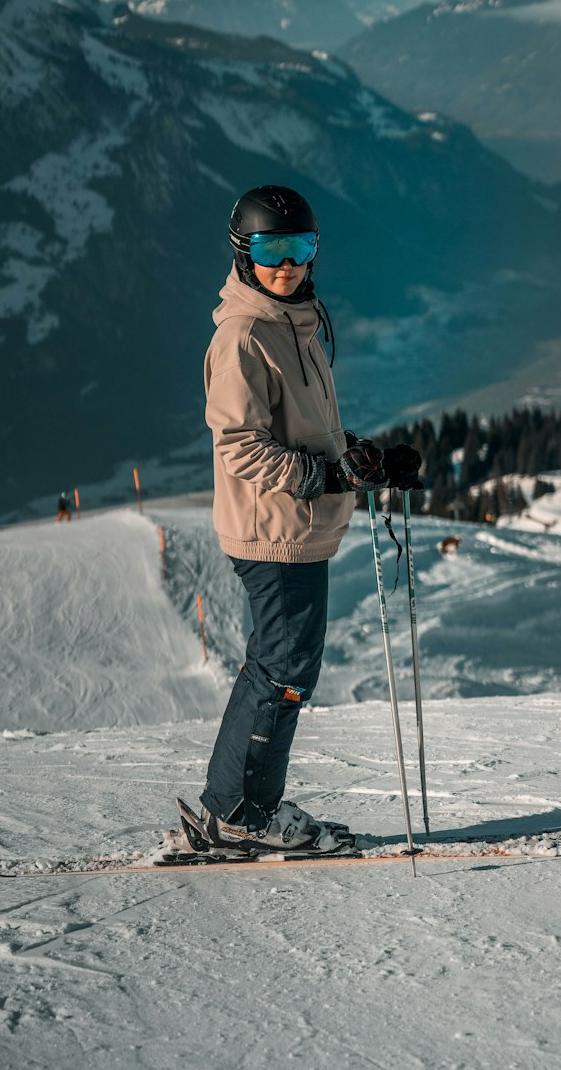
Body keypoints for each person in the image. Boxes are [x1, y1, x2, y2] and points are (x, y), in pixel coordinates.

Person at [198, 185, 422, 853]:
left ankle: (237, 804)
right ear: (244, 251)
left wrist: (360, 460)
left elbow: (307, 426)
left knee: (282, 665)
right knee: (284, 669)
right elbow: (239, 445)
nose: (287, 263)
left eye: (300, 247)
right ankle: (241, 811)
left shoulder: (297, 321)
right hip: (273, 531)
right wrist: (323, 477)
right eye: (272, 249)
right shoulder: (243, 337)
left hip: (295, 526)